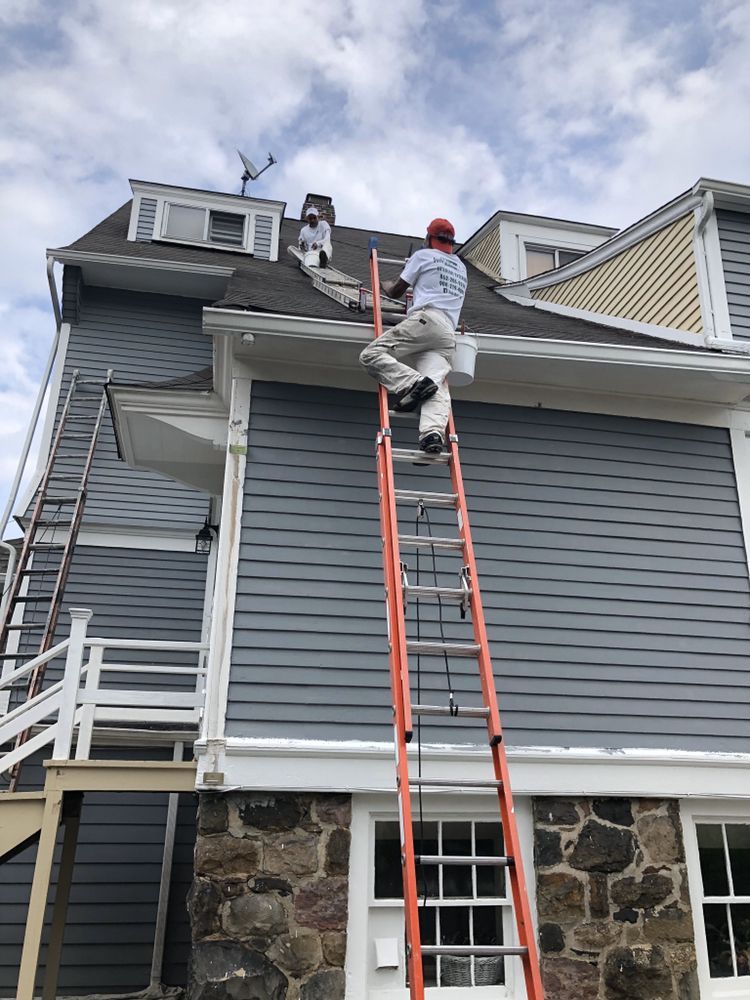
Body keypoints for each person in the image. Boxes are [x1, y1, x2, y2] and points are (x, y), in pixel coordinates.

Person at [359, 218, 468, 453]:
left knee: (371, 355)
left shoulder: (423, 256)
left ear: (429, 238)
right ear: (451, 243)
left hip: (426, 321)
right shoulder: (461, 267)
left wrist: (385, 283)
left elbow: (397, 292)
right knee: (437, 386)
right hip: (447, 335)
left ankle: (414, 383)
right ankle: (432, 435)